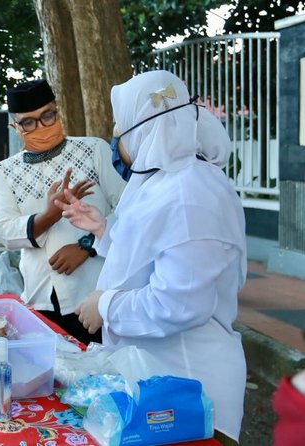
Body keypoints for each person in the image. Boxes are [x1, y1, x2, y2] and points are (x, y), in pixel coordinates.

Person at [56, 70, 246, 444]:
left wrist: (106, 306)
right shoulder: (164, 181)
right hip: (160, 388)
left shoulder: (190, 194)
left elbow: (180, 302)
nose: (115, 141)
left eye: (119, 131)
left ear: (142, 132)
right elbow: (155, 258)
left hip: (192, 389)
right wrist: (103, 233)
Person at [0, 79, 125, 345]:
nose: (41, 127)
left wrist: (87, 246)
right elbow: (3, 232)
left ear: (57, 112)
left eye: (47, 116)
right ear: (15, 126)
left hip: (94, 293)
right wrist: (49, 216)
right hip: (40, 295)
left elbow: (130, 209)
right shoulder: (5, 171)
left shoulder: (93, 150)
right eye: (29, 122)